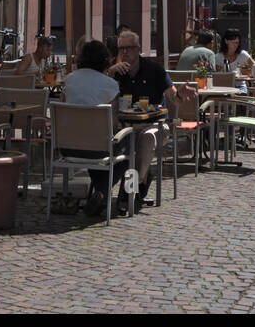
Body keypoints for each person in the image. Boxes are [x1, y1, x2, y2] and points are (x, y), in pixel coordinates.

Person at [107, 30, 179, 211]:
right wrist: (109, 74)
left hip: (156, 124)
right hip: (125, 126)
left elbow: (173, 97)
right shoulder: (115, 72)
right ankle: (136, 185)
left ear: (138, 49)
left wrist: (183, 96)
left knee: (146, 138)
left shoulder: (153, 69)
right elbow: (102, 96)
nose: (124, 52)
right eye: (121, 48)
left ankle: (131, 188)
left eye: (129, 48)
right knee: (128, 138)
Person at [61, 40, 122, 217]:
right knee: (128, 150)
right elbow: (114, 121)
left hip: (68, 147)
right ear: (105, 61)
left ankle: (98, 195)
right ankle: (102, 192)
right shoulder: (110, 84)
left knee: (95, 147)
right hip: (97, 148)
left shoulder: (69, 79)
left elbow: (65, 106)